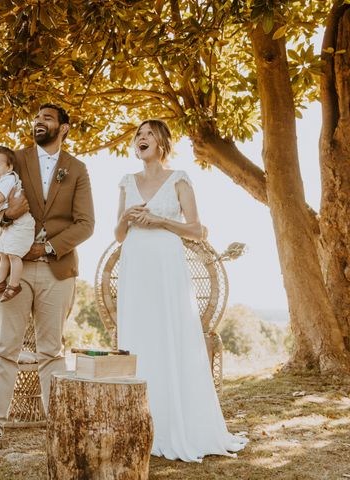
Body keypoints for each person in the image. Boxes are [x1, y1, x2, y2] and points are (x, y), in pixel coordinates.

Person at [114, 119, 247, 462]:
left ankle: (178, 424)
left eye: (148, 134)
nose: (141, 139)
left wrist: (160, 221)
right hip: (136, 266)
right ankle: (142, 422)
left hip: (166, 266)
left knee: (169, 336)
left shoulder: (179, 179)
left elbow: (197, 230)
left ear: (161, 143)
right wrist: (126, 218)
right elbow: (118, 235)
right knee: (139, 339)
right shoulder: (127, 182)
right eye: (138, 135)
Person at [0, 104, 95, 449]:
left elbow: (86, 223)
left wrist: (46, 249)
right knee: (5, 348)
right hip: (15, 264)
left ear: (64, 127)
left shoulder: (77, 169)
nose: (38, 122)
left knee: (51, 351)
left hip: (57, 268)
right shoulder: (14, 158)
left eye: (47, 117)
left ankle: (57, 425)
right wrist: (9, 219)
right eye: (36, 117)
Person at [0, 146, 35, 302]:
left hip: (21, 222)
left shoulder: (8, 179)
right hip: (11, 222)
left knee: (13, 254)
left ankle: (14, 285)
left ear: (9, 167)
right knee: (3, 253)